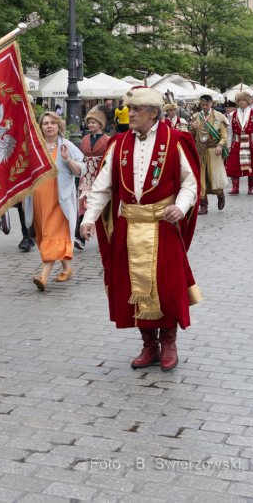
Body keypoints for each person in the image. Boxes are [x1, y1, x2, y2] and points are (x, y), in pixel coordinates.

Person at [80, 87, 202, 373]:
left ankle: (169, 342)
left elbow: (190, 183)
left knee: (167, 287)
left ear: (153, 113)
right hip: (129, 226)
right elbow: (102, 187)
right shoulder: (118, 143)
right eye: (129, 109)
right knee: (131, 288)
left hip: (163, 226)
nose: (129, 114)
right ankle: (149, 345)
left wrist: (181, 207)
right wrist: (88, 218)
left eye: (136, 110)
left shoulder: (177, 140)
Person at [25, 112, 83, 290]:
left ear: (58, 126)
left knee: (51, 235)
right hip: (39, 200)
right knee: (45, 235)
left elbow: (81, 170)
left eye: (52, 123)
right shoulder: (35, 147)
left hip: (60, 200)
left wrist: (67, 159)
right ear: (40, 127)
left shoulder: (67, 146)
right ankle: (66, 268)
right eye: (45, 123)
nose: (49, 126)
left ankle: (43, 277)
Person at [76, 109, 110, 249]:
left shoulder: (107, 140)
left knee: (103, 205)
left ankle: (108, 236)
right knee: (84, 204)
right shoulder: (85, 139)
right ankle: (80, 238)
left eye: (93, 122)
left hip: (100, 174)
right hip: (86, 177)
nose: (90, 125)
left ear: (100, 124)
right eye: (89, 122)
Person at [189, 94, 228, 214]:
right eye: (202, 105)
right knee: (201, 177)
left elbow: (224, 136)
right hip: (200, 151)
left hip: (213, 150)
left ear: (211, 103)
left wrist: (220, 146)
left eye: (206, 104)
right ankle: (203, 205)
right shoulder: (196, 116)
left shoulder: (219, 116)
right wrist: (192, 128)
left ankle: (220, 195)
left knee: (214, 177)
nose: (204, 107)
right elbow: (191, 137)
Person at [225, 91, 253, 196]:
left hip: (251, 143)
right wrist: (228, 145)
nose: (242, 102)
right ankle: (235, 187)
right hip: (237, 143)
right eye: (240, 100)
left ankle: (251, 188)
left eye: (244, 100)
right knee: (234, 166)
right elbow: (229, 131)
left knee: (252, 166)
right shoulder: (232, 114)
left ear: (248, 101)